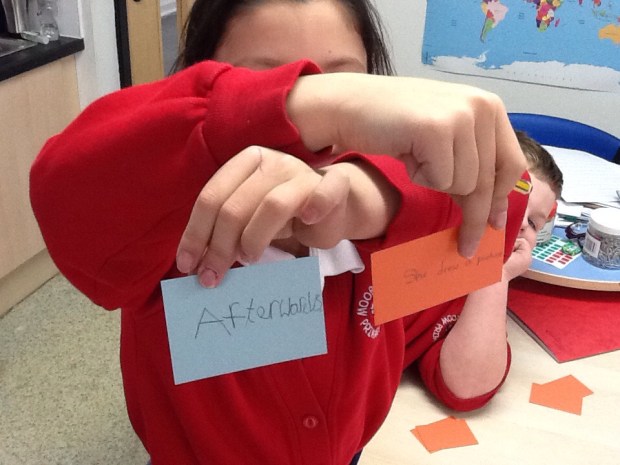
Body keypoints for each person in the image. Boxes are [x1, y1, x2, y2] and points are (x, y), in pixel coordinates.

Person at [28, 1, 538, 464]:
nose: (305, 142)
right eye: (271, 85)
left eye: (347, 86)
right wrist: (308, 108)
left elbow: (507, 200)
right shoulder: (166, 222)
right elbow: (65, 190)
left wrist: (364, 196)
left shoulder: (384, 219)